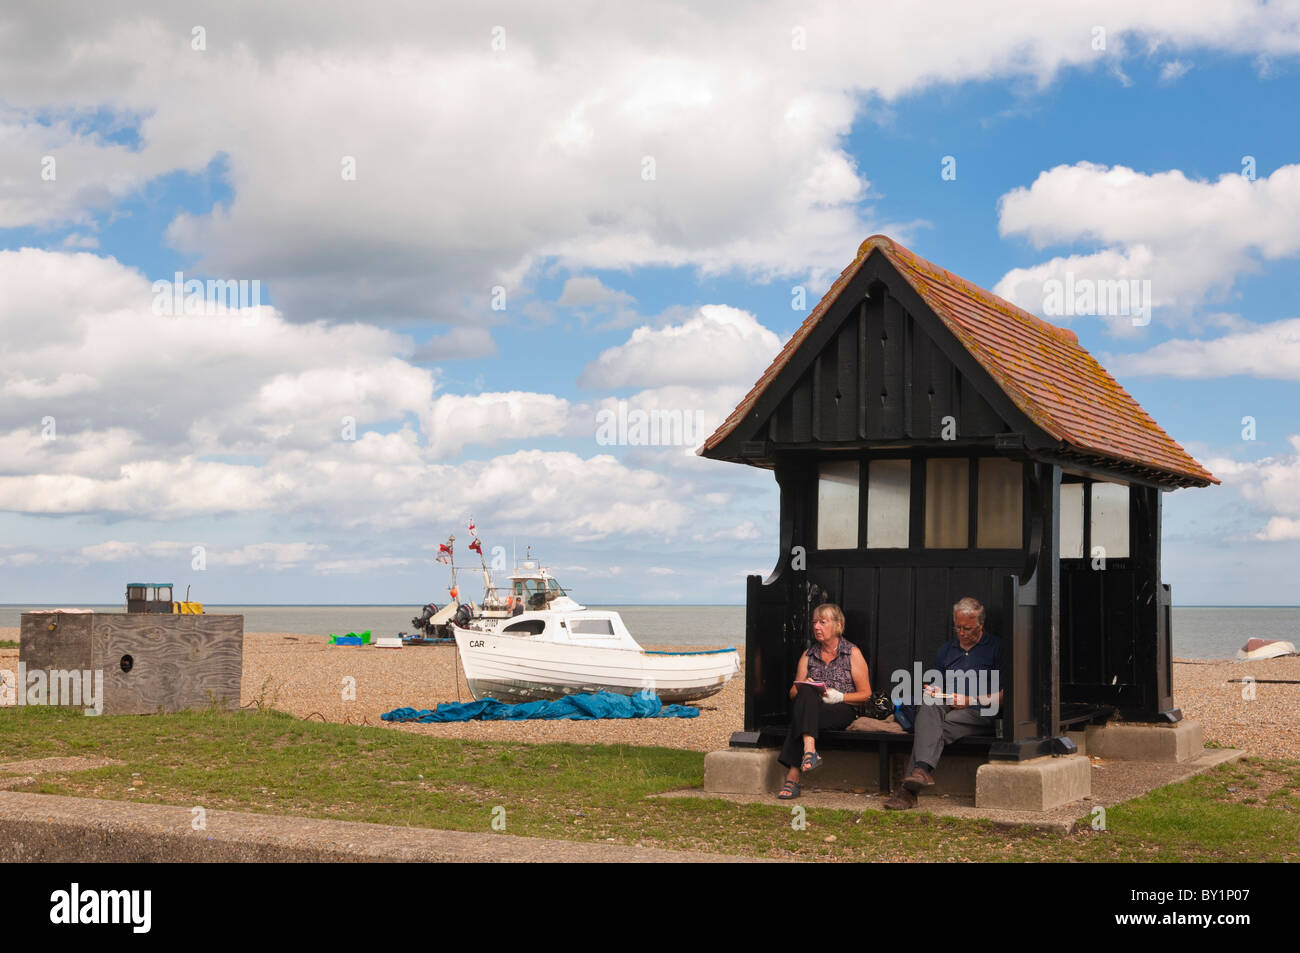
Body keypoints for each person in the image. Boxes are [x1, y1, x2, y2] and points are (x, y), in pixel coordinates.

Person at [884, 596, 1003, 810]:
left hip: (981, 710)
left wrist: (971, 700)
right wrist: (936, 690)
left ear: (980, 625)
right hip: (946, 705)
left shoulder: (996, 648)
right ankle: (920, 773)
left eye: (967, 628)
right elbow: (938, 683)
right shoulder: (946, 650)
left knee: (928, 728)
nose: (962, 633)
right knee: (929, 704)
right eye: (957, 627)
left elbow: (1006, 694)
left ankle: (908, 791)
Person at [778, 603, 873, 799]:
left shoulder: (851, 653)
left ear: (838, 625)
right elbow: (792, 694)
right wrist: (803, 685)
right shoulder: (808, 655)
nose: (817, 627)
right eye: (814, 622)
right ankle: (810, 751)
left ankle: (793, 777)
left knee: (801, 717)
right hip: (813, 709)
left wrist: (840, 696)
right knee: (805, 696)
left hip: (843, 709)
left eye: (823, 622)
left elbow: (866, 694)